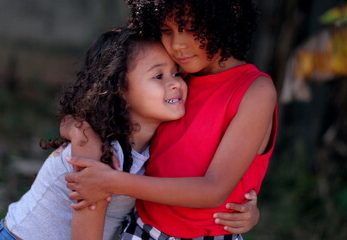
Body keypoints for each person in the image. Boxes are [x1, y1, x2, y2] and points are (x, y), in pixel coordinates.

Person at [0, 27, 257, 240]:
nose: (175, 83)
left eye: (176, 73)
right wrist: (76, 129)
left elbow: (196, 183)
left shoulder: (159, 142)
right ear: (121, 89)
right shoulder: (94, 147)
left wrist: (249, 211)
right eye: (158, 76)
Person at [64, 0, 277, 239]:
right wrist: (78, 131)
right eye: (167, 31)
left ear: (228, 17)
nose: (177, 45)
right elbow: (96, 102)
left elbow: (213, 190)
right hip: (141, 229)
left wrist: (111, 181)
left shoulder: (254, 91)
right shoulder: (171, 75)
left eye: (191, 28)